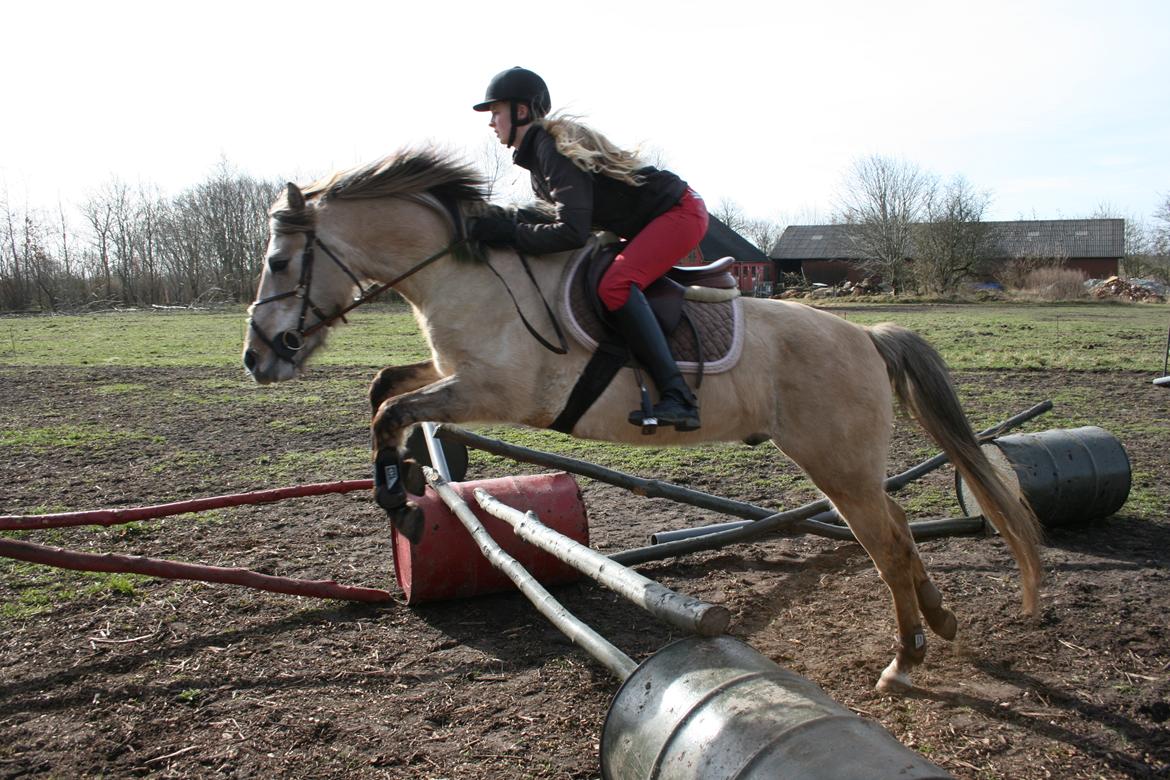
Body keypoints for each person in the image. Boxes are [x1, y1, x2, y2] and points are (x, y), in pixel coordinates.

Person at [469, 66, 708, 431]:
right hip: (653, 219)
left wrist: (507, 232)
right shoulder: (539, 159)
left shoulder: (551, 150)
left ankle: (679, 397)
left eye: (495, 112)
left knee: (614, 284)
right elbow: (552, 224)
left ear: (521, 111)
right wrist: (502, 225)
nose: (491, 123)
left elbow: (570, 232)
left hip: (680, 213)